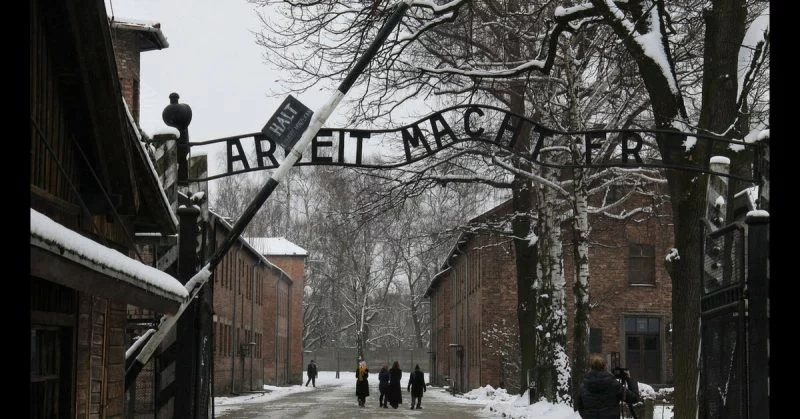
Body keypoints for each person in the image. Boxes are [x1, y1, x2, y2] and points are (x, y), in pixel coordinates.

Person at [575, 354, 641, 419]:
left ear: (590, 367)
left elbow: (580, 406)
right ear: (605, 367)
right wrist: (630, 379)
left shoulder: (583, 386)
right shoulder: (614, 385)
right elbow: (634, 398)